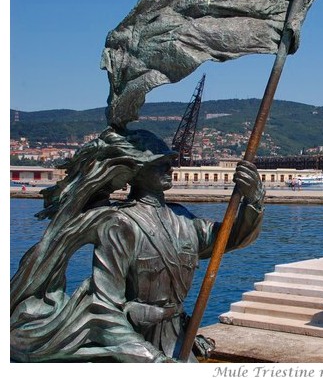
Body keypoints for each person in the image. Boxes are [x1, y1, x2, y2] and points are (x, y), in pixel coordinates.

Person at [10, 128, 265, 363]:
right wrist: (152, 360)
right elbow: (104, 307)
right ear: (137, 171)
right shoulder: (121, 224)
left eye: (169, 162)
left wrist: (252, 200)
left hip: (177, 337)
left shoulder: (184, 219)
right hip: (136, 342)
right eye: (159, 164)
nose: (170, 168)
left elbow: (229, 239)